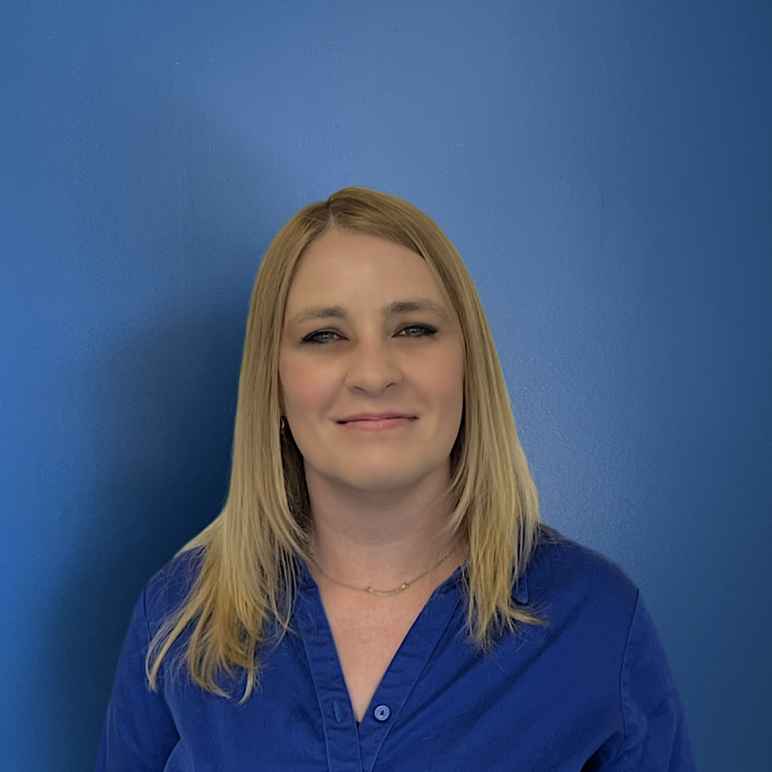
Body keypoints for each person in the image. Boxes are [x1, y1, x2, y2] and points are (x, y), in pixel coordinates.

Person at [95, 186, 697, 770]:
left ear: (468, 366)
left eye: (413, 329)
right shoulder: (178, 619)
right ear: (273, 383)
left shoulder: (594, 620)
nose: (374, 373)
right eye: (323, 335)